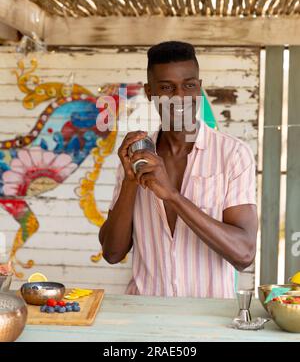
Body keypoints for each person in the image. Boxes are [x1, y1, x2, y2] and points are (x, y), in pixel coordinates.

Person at [99, 41, 258, 298]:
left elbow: (244, 254)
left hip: (210, 323)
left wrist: (172, 195)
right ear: (150, 92)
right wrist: (130, 181)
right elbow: (112, 253)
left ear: (199, 88)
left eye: (189, 85)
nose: (179, 96)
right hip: (145, 317)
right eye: (166, 88)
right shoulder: (137, 156)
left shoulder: (233, 155)